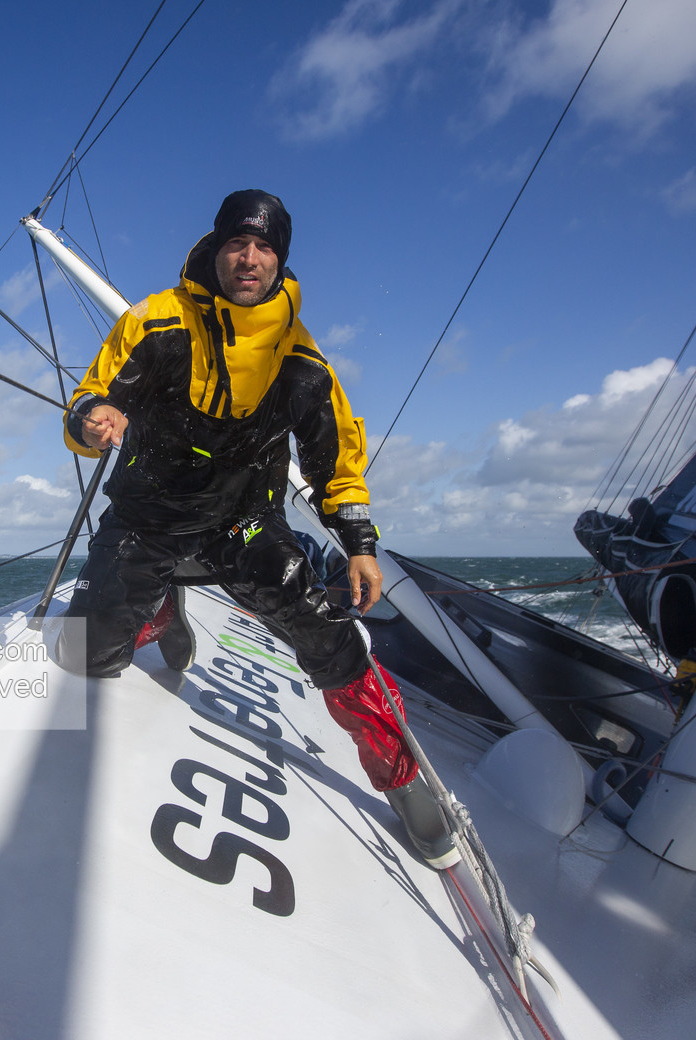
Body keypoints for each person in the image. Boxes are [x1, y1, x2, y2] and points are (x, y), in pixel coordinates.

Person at [57, 189, 459, 869]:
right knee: (81, 655)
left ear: (280, 262)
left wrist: (359, 543)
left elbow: (337, 458)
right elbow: (89, 398)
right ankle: (158, 610)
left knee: (328, 636)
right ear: (215, 250)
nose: (248, 258)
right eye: (236, 244)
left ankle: (398, 774)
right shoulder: (156, 323)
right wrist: (93, 419)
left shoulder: (304, 361)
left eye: (264, 247)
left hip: (244, 524)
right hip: (147, 519)